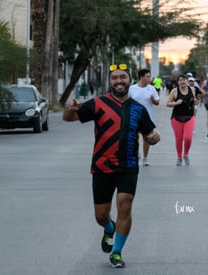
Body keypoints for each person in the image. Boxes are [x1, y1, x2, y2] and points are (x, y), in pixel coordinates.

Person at [62, 64, 161, 268]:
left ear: (129, 81)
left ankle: (117, 252)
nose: (119, 81)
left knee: (125, 205)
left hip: (128, 166)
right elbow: (69, 118)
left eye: (122, 78)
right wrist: (69, 110)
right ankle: (109, 227)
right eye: (115, 78)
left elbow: (149, 134)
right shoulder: (98, 104)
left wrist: (154, 138)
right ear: (110, 82)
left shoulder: (138, 109)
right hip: (102, 166)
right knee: (101, 215)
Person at [129, 69, 160, 166]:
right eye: (147, 76)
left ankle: (145, 158)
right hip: (134, 117)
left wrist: (153, 100)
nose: (149, 79)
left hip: (147, 118)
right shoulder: (132, 89)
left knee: (147, 138)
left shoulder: (151, 88)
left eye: (149, 76)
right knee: (135, 137)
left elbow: (157, 103)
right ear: (141, 77)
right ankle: (136, 154)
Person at [166, 74, 197, 166]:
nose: (182, 81)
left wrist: (195, 101)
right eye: (180, 80)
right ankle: (179, 157)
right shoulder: (174, 91)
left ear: (187, 80)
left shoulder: (192, 89)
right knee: (179, 139)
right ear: (178, 82)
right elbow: (168, 103)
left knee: (188, 137)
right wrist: (176, 103)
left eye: (184, 79)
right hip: (177, 118)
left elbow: (194, 100)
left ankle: (186, 154)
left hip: (189, 117)